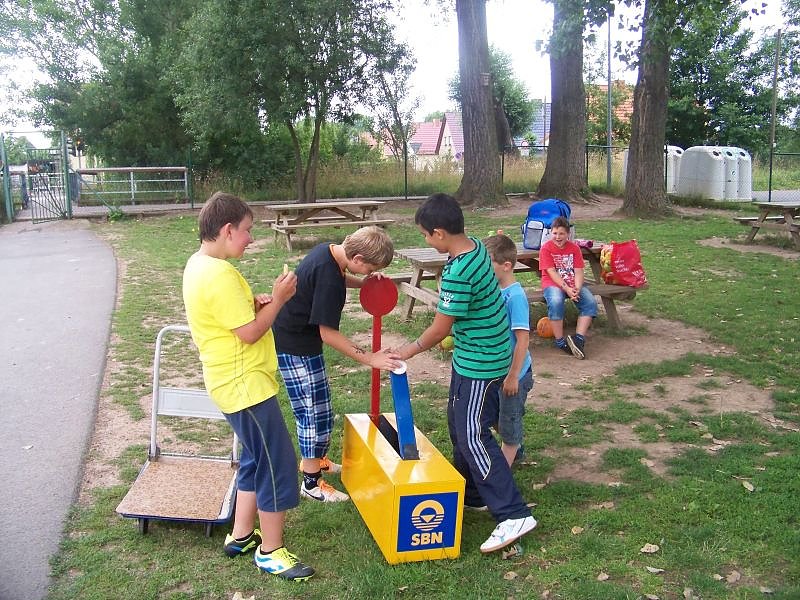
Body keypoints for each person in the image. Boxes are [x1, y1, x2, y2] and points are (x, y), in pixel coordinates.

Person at [393, 193, 537, 554]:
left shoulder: (458, 271)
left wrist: (408, 349)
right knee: (458, 424)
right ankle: (473, 494)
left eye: (426, 235)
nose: (426, 240)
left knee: (473, 434)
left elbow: (441, 328)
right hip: (473, 359)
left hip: (481, 364)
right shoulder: (473, 248)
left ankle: (512, 513)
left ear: (440, 233)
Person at [182, 191, 314, 582]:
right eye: (246, 231)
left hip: (229, 382)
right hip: (244, 387)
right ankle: (271, 552)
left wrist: (254, 301)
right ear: (226, 229)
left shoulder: (199, 263)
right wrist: (278, 299)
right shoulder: (218, 274)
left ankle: (241, 535)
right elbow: (250, 334)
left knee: (256, 457)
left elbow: (230, 316)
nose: (250, 239)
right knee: (277, 463)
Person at [273, 226, 401, 504]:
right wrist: (370, 358)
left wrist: (364, 283)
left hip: (302, 342)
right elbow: (328, 333)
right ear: (356, 258)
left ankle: (317, 461)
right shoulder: (330, 275)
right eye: (368, 270)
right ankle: (310, 483)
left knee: (322, 408)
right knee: (310, 413)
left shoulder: (329, 252)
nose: (367, 274)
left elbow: (339, 278)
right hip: (295, 346)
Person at [483, 233, 534, 467]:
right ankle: (517, 448)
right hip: (498, 372)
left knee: (508, 424)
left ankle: (500, 477)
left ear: (506, 266)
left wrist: (513, 376)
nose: (483, 268)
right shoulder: (495, 291)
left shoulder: (515, 297)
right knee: (495, 416)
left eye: (488, 263)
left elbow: (522, 340)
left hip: (515, 375)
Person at [539, 215, 598, 360]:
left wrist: (576, 288)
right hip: (553, 283)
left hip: (572, 284)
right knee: (556, 301)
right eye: (555, 233)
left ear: (568, 234)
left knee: (590, 302)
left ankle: (578, 340)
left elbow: (578, 271)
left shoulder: (574, 248)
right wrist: (567, 289)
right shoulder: (546, 249)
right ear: (550, 233)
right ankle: (560, 341)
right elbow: (551, 272)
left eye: (561, 233)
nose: (558, 237)